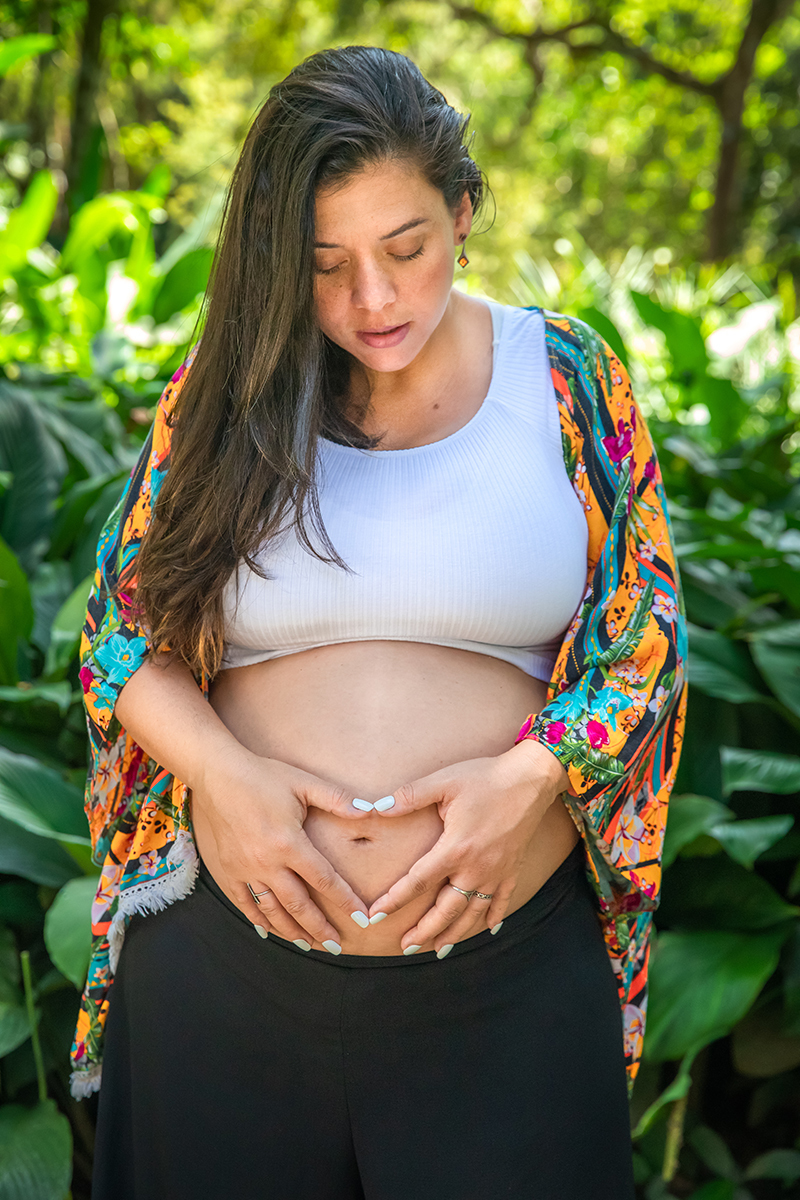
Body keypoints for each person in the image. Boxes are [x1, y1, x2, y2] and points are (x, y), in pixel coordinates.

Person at [72, 45, 687, 1200]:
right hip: (221, 979)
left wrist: (529, 781)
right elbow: (118, 638)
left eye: (405, 248)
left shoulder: (562, 377)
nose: (373, 299)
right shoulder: (227, 388)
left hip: (506, 990)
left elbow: (644, 634)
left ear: (461, 213)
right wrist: (226, 779)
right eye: (324, 265)